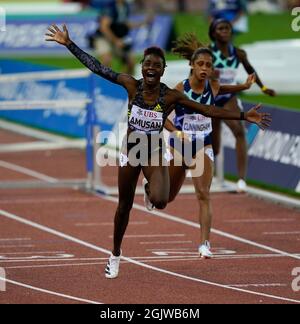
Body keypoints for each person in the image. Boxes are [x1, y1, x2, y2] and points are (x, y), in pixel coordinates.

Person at [45, 24, 271, 279]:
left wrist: (243, 115)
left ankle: (149, 189)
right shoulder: (131, 85)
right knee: (123, 207)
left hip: (153, 150)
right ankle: (115, 254)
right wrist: (69, 44)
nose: (151, 68)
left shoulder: (171, 96)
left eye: (157, 65)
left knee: (161, 200)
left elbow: (208, 110)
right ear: (142, 67)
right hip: (132, 150)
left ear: (163, 70)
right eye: (147, 64)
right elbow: (98, 67)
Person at [163, 33, 256, 258]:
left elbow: (224, 90)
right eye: (201, 64)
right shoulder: (180, 89)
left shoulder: (212, 86)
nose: (205, 68)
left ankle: (205, 243)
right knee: (168, 198)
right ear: (192, 66)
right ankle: (152, 190)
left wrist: (243, 86)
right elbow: (162, 118)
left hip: (203, 146)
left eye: (208, 65)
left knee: (203, 193)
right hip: (180, 145)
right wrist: (175, 131)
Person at [209, 19, 276, 193]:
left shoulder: (239, 54)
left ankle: (241, 180)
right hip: (212, 97)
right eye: (220, 28)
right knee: (214, 139)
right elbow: (194, 73)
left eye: (227, 28)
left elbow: (250, 71)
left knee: (239, 131)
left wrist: (263, 87)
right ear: (214, 33)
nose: (224, 31)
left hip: (230, 96)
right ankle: (215, 172)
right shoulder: (208, 52)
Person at [89, 0, 152, 74]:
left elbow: (125, 23)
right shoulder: (110, 7)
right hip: (104, 37)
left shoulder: (125, 6)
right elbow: (103, 27)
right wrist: (116, 41)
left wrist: (143, 23)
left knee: (130, 62)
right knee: (107, 60)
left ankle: (124, 83)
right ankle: (102, 83)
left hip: (118, 38)